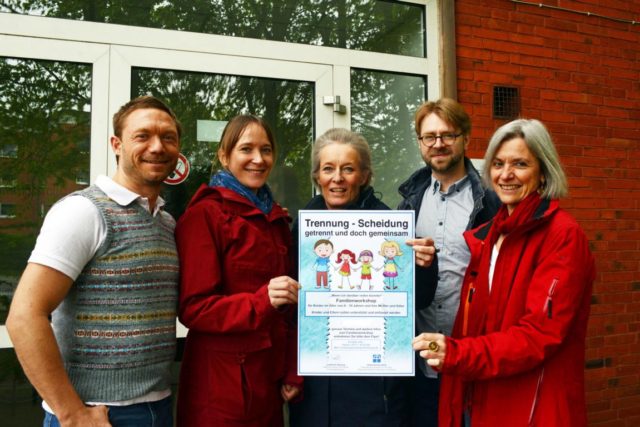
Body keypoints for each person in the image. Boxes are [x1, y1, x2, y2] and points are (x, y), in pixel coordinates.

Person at [6, 95, 182, 427]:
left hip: (158, 405)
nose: (157, 146)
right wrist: (72, 414)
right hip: (97, 413)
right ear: (117, 144)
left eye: (167, 137)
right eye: (142, 136)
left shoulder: (165, 221)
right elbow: (24, 316)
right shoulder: (84, 211)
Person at [413, 119, 596, 426]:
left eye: (520, 163)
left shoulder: (563, 236)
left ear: (543, 171)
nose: (506, 174)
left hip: (531, 406)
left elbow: (539, 335)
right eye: (498, 163)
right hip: (483, 395)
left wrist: (458, 354)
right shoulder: (491, 236)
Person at [289, 128, 434, 427]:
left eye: (348, 169)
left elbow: (419, 299)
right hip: (316, 384)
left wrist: (424, 264)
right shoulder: (302, 226)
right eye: (328, 168)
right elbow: (291, 308)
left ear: (365, 176)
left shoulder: (390, 228)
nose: (337, 178)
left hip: (373, 389)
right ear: (317, 175)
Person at [175, 114, 302, 426]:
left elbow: (287, 311)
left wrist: (292, 369)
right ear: (224, 155)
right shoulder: (205, 215)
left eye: (266, 150)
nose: (258, 159)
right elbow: (194, 309)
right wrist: (262, 301)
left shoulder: (275, 219)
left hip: (267, 383)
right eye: (246, 149)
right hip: (220, 388)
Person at [397, 97, 500, 426]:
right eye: (430, 136)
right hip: (422, 364)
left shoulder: (492, 201)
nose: (438, 144)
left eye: (448, 135)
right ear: (420, 143)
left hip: (474, 361)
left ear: (466, 138)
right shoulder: (407, 205)